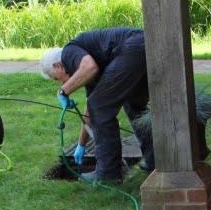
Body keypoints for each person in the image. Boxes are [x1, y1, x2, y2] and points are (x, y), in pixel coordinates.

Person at [40, 27, 154, 183]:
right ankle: (155, 159)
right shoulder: (87, 70)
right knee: (134, 106)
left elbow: (90, 67)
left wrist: (63, 91)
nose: (60, 82)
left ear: (57, 66)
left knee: (101, 107)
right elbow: (90, 111)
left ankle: (109, 172)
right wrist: (81, 145)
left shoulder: (68, 52)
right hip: (143, 44)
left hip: (131, 48)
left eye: (56, 78)